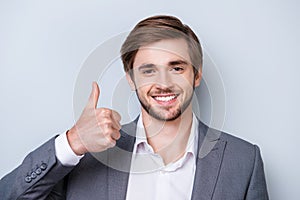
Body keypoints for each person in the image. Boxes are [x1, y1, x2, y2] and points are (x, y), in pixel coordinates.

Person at [0, 15, 269, 200]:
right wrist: (73, 143)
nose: (164, 83)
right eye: (148, 70)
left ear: (196, 75)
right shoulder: (89, 157)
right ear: (130, 79)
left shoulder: (243, 161)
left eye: (176, 68)